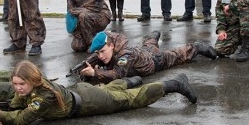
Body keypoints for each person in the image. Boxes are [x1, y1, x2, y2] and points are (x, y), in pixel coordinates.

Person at [0, 60, 197, 125]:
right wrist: (6, 108)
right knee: (110, 90)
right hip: (81, 92)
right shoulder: (35, 86)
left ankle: (174, 84)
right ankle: (129, 80)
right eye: (15, 84)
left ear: (32, 81)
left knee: (133, 100)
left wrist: (1, 114)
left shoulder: (43, 96)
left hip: (89, 103)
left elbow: (23, 119)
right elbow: (18, 103)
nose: (17, 88)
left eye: (21, 84)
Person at [78, 30, 217, 84]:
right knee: (149, 45)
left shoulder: (125, 56)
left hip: (155, 61)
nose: (100, 56)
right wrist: (88, 63)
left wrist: (94, 72)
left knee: (178, 55)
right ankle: (152, 36)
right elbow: (104, 37)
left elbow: (117, 74)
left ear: (112, 46)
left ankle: (196, 46)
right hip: (143, 52)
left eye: (103, 51)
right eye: (98, 53)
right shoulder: (110, 44)